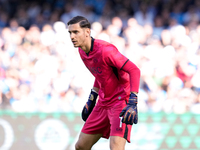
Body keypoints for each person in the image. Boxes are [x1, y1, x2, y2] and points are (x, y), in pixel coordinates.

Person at [67, 16, 140, 150]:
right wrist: (92, 98)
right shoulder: (82, 51)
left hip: (120, 102)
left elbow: (134, 70)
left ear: (87, 32)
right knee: (81, 146)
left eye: (75, 32)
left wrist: (133, 101)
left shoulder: (106, 50)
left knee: (116, 148)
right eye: (70, 33)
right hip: (103, 103)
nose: (72, 36)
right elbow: (101, 73)